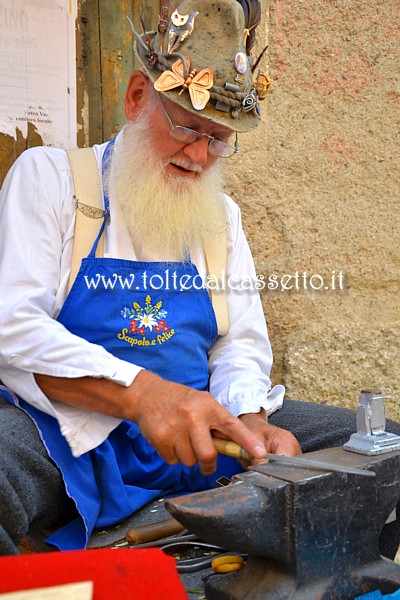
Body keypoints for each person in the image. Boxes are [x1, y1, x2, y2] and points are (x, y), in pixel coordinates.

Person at [0, 0, 399, 558]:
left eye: (219, 139)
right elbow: (12, 326)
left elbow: (238, 339)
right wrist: (142, 395)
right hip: (69, 433)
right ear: (138, 97)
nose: (199, 155)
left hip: (201, 435)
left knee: (381, 452)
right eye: (187, 128)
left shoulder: (222, 216)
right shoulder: (50, 179)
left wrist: (248, 418)